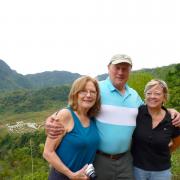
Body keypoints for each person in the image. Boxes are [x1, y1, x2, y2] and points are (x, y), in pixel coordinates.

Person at [45, 54, 180, 180]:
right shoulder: (96, 88)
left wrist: (169, 110)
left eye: (125, 69)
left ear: (130, 71)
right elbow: (75, 107)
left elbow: (151, 108)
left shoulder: (134, 95)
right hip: (100, 159)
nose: (120, 72)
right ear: (108, 68)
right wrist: (51, 119)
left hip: (126, 160)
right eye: (117, 68)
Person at [43, 76, 101, 180]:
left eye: (92, 92)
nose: (88, 95)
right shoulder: (66, 115)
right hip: (63, 176)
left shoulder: (92, 118)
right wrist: (70, 174)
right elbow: (47, 152)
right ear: (75, 94)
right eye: (83, 91)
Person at [131, 79, 180, 180]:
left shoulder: (172, 118)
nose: (152, 96)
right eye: (149, 93)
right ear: (145, 96)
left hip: (161, 172)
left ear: (164, 97)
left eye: (157, 93)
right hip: (137, 169)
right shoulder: (137, 113)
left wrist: (166, 150)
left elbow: (177, 141)